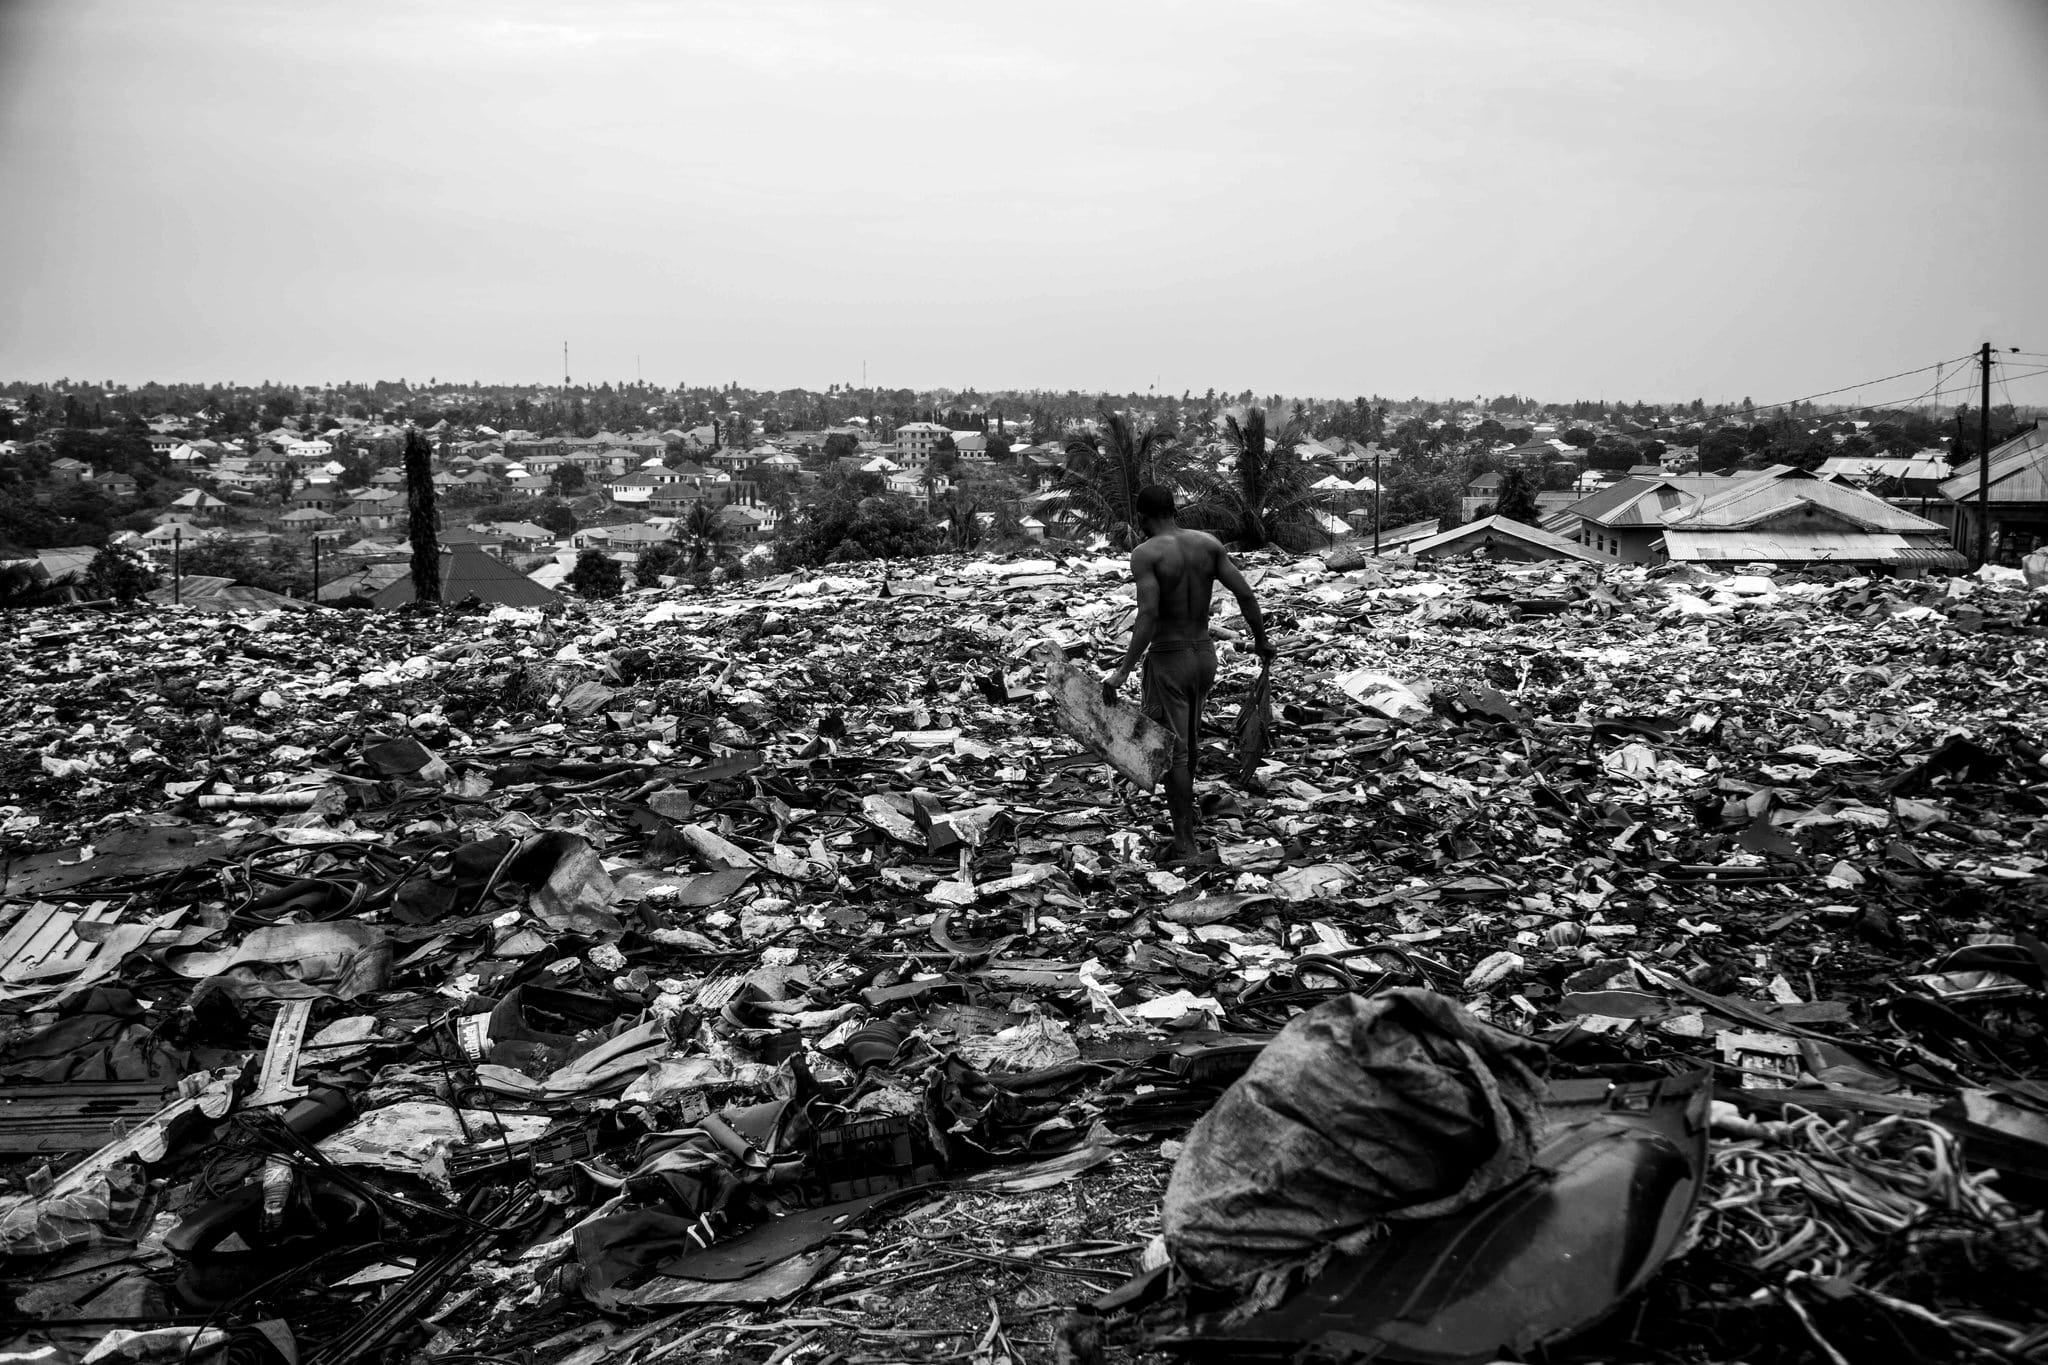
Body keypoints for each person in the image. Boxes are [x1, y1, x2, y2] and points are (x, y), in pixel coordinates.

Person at [1104, 485, 1274, 864]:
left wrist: (1122, 671)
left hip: (1169, 659)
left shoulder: (1145, 553)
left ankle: (1184, 844)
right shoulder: (1208, 544)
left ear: (1142, 516)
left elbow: (1148, 614)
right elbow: (1246, 594)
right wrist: (1261, 640)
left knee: (1173, 752)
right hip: (1204, 656)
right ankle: (1186, 825)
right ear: (1174, 509)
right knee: (1188, 743)